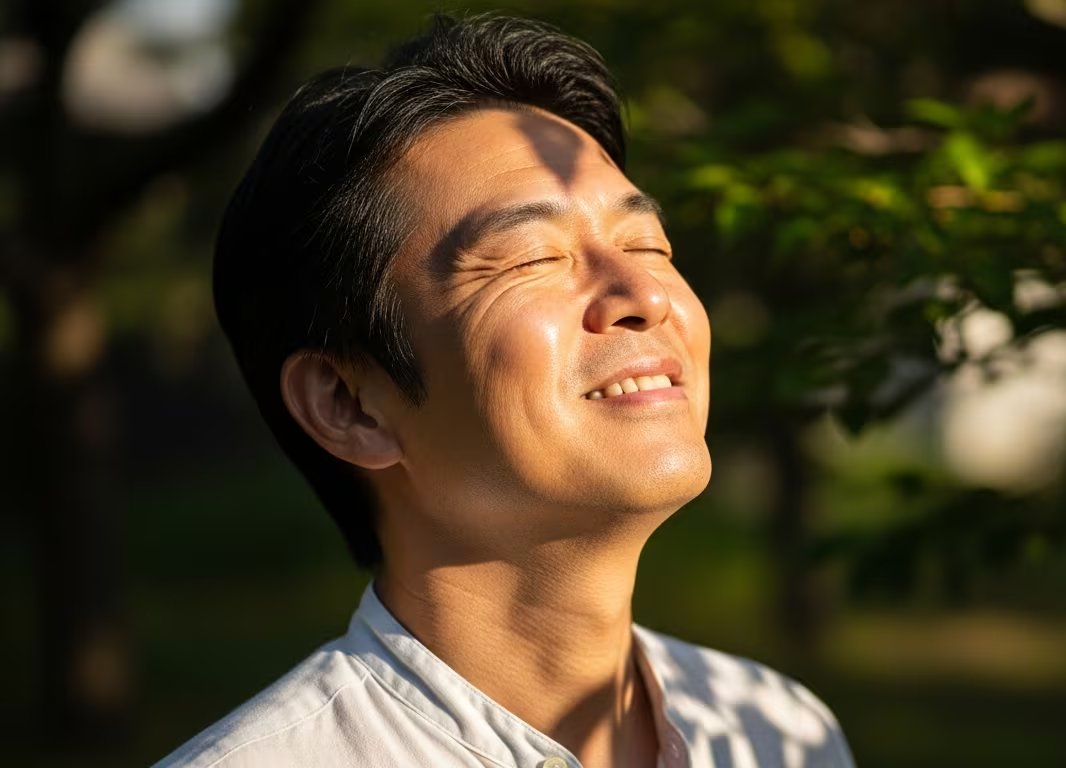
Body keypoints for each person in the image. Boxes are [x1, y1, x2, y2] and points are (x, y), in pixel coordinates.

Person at [155, 12, 855, 768]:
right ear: (347, 404)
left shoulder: (776, 732)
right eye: (528, 259)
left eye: (646, 244)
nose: (642, 296)